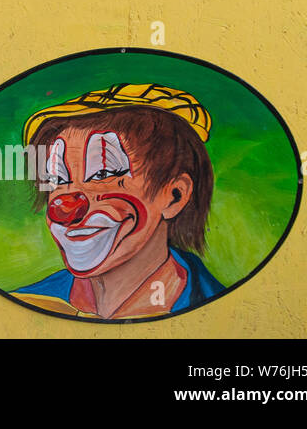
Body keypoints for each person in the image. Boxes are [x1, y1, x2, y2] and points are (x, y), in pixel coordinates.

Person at [12, 83, 225, 320]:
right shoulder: (26, 305)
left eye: (103, 174)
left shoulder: (220, 312)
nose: (66, 207)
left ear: (174, 196)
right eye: (57, 178)